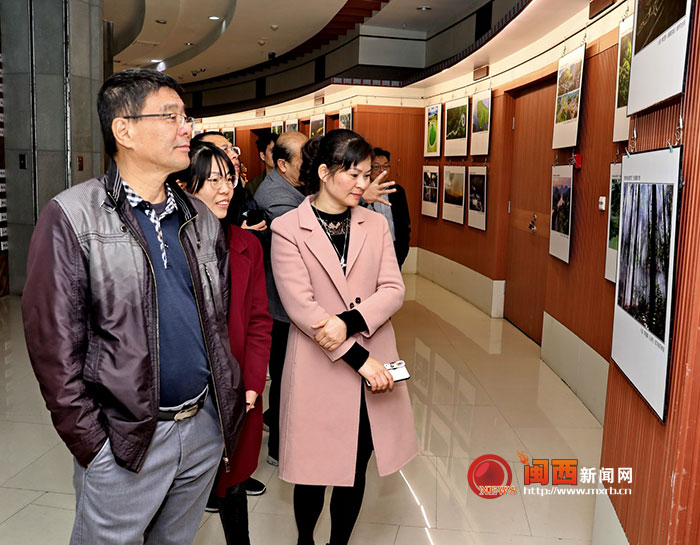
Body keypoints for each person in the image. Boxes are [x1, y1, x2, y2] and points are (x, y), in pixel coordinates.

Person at [21, 68, 247, 545]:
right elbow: (53, 349)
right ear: (123, 129)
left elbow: (216, 319)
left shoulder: (201, 217)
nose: (187, 128)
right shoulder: (72, 216)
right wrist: (94, 445)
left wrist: (217, 410)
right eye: (171, 116)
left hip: (201, 428)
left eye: (186, 116)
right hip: (126, 440)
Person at [270, 129, 418, 545]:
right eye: (352, 174)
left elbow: (393, 289)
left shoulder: (373, 223)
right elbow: (302, 309)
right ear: (322, 172)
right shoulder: (287, 229)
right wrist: (360, 359)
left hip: (370, 354)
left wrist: (350, 321)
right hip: (322, 366)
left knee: (356, 468)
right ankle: (305, 540)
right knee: (313, 471)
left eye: (367, 174)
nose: (362, 184)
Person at [180, 141, 272, 544]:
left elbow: (258, 321)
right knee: (179, 494)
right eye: (212, 180)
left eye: (229, 178)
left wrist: (252, 383)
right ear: (185, 187)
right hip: (186, 397)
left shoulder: (246, 244)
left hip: (237, 390)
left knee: (234, 482)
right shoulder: (168, 248)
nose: (225, 189)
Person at [254, 130, 309, 466]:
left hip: (286, 305)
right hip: (279, 308)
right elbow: (308, 238)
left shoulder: (291, 188)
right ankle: (279, 448)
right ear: (283, 164)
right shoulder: (277, 196)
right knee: (286, 378)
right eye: (305, 160)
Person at [369, 147, 411, 268]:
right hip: (370, 249)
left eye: (386, 166)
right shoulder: (361, 193)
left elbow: (405, 224)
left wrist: (402, 251)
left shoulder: (398, 191)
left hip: (394, 248)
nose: (381, 171)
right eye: (376, 167)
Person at [246, 131, 278, 196]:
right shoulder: (253, 186)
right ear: (263, 156)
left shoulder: (291, 180)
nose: (277, 154)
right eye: (273, 151)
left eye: (279, 150)